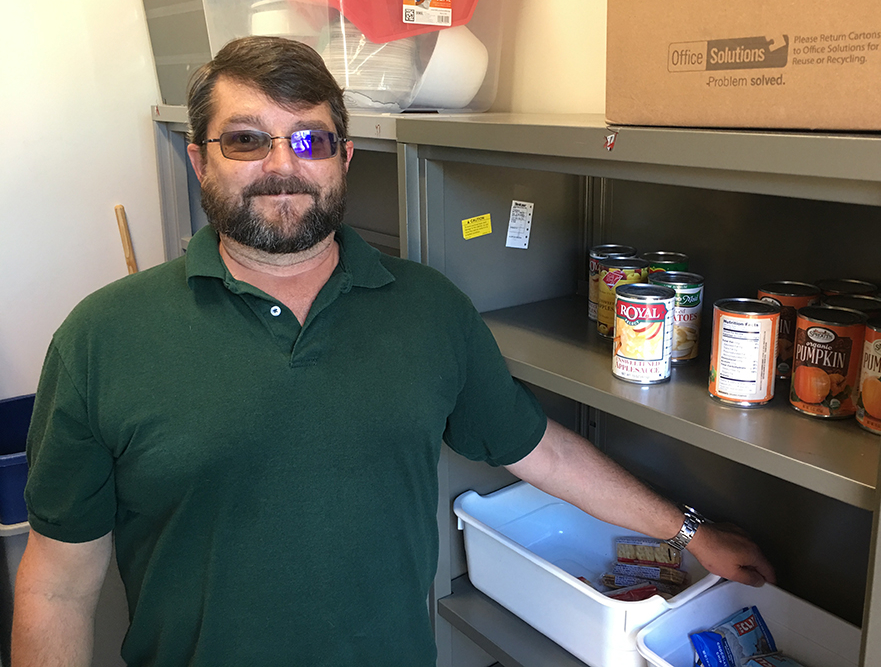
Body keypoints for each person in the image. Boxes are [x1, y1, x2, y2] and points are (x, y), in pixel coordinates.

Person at [12, 36, 774, 667]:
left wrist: (688, 532)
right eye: (247, 139)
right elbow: (57, 586)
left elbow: (541, 452)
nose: (283, 165)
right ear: (199, 159)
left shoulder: (429, 309)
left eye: (310, 139)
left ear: (345, 160)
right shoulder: (102, 338)